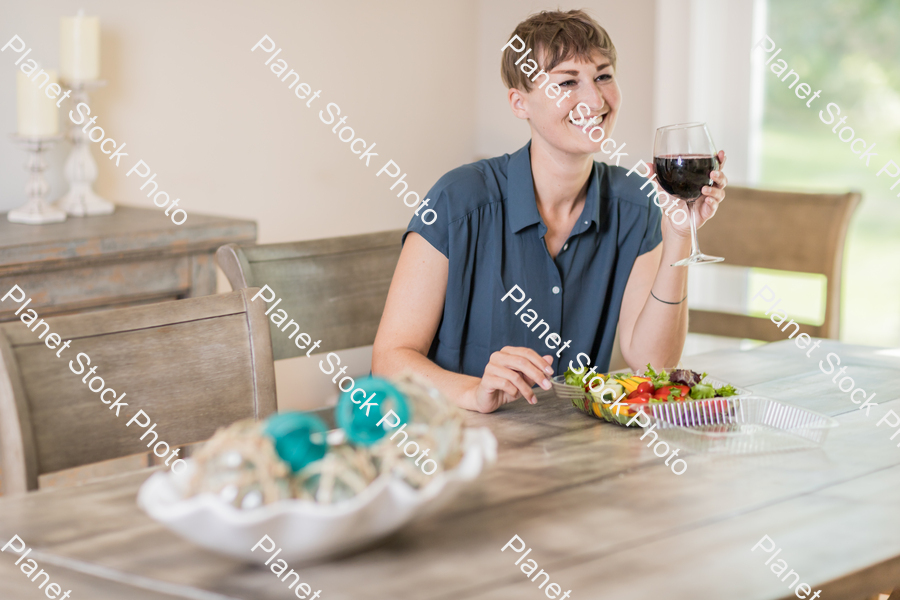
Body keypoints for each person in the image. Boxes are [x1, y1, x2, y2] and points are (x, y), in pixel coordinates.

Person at [372, 9, 727, 414]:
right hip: (453, 447)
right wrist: (473, 392)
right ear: (520, 103)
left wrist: (680, 235)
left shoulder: (635, 204)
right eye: (567, 82)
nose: (594, 99)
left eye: (603, 76)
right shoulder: (458, 200)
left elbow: (656, 364)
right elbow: (388, 363)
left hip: (569, 451)